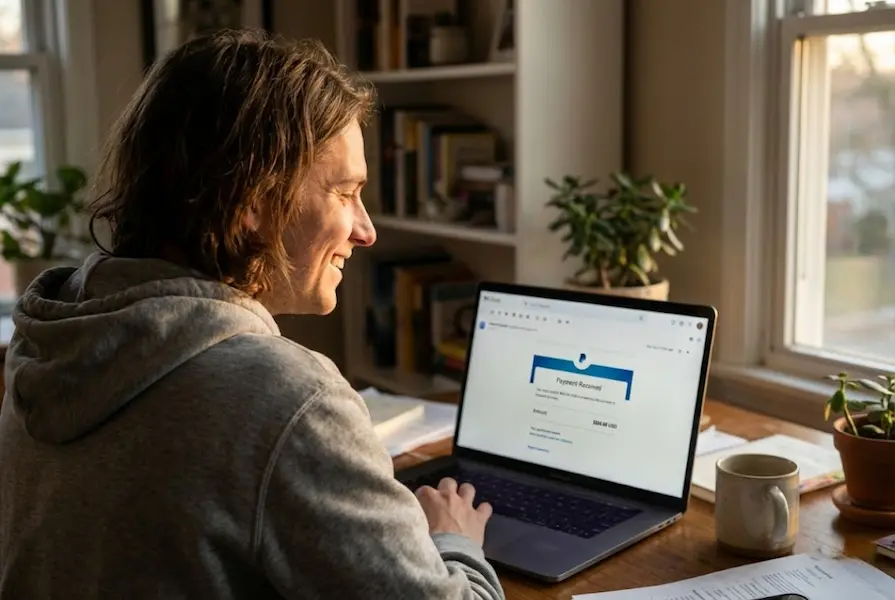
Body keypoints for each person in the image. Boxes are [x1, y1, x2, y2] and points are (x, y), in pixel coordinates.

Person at [0, 30, 505, 599]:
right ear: (252, 203)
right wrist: (455, 538)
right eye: (345, 193)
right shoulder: (290, 399)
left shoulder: (46, 346)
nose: (366, 231)